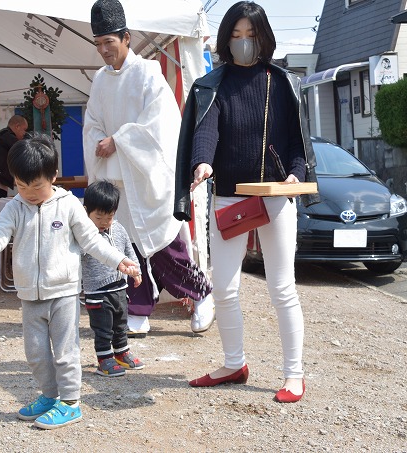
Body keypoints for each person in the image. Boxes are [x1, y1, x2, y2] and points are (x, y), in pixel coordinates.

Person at [174, 1, 320, 403]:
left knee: (282, 287)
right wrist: (202, 162)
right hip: (230, 196)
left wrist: (295, 174)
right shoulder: (213, 84)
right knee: (223, 286)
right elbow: (207, 132)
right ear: (225, 40)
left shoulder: (282, 82)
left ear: (263, 37)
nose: (242, 43)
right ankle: (233, 363)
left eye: (249, 35)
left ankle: (294, 375)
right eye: (235, 36)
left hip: (276, 197)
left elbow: (296, 142)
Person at [0, 133, 139, 429]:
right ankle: (49, 395)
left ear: (53, 176)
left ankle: (70, 403)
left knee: (66, 351)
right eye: (20, 185)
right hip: (29, 296)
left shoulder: (68, 205)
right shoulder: (15, 207)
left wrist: (119, 260)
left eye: (36, 187)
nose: (28, 193)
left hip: (64, 294)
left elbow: (92, 241)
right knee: (35, 352)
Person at [83, 0, 215, 337]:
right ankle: (139, 307)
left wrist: (118, 141)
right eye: (98, 44)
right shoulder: (99, 81)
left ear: (126, 38)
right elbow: (91, 125)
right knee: (126, 250)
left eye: (108, 43)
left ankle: (201, 295)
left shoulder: (148, 74)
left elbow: (160, 126)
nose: (103, 51)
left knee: (165, 248)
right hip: (118, 182)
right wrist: (103, 141)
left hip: (146, 179)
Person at [81, 180, 145, 377]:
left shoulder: (118, 228)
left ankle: (121, 353)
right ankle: (104, 359)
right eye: (99, 216)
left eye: (109, 216)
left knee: (120, 324)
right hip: (97, 293)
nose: (105, 222)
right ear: (86, 211)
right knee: (103, 328)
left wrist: (137, 270)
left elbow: (129, 251)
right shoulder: (84, 235)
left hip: (119, 288)